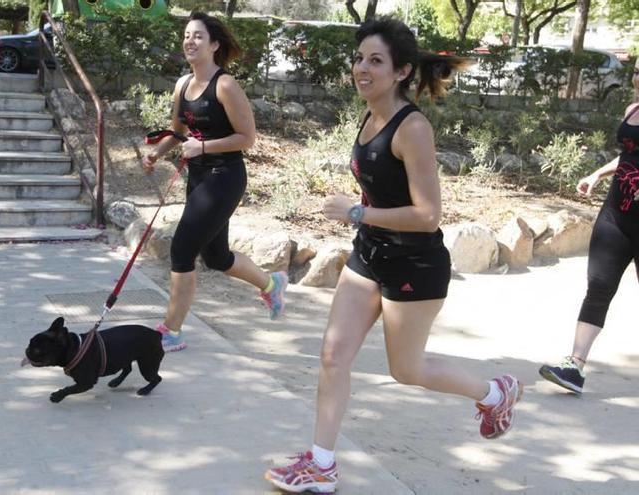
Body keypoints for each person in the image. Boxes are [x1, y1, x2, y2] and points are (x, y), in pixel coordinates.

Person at [264, 17, 523, 493]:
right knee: (332, 355)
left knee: (406, 370)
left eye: (375, 61)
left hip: (414, 264)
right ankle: (322, 466)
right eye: (359, 58)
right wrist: (364, 217)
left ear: (401, 71)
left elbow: (428, 215)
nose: (362, 68)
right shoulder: (370, 115)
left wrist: (358, 212)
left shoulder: (413, 127)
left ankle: (494, 392)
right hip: (371, 255)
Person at [142, 11, 287, 353]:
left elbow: (247, 138)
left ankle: (172, 331)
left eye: (198, 36)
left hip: (225, 176)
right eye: (187, 35)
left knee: (182, 250)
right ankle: (272, 283)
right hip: (200, 176)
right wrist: (157, 154)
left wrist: (204, 146)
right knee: (217, 257)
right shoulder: (182, 85)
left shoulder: (225, 85)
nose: (189, 41)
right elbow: (178, 132)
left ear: (214, 45)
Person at [538, 59, 639, 395]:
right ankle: (575, 368)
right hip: (615, 216)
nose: (638, 78)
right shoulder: (632, 109)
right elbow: (628, 157)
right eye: (637, 71)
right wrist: (597, 174)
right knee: (598, 286)